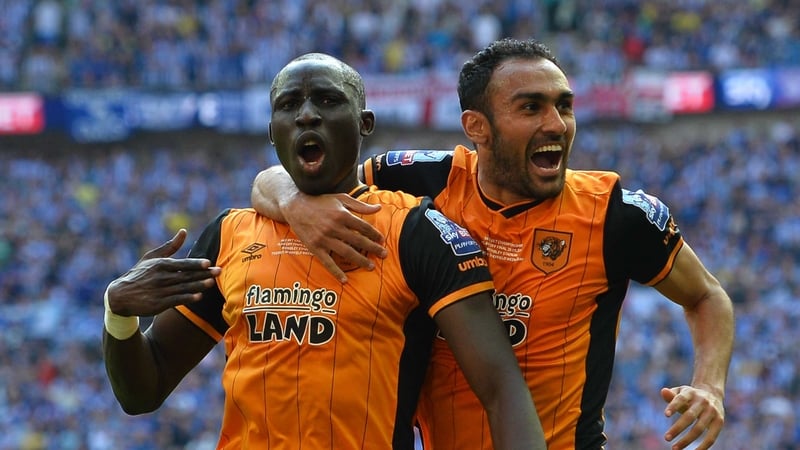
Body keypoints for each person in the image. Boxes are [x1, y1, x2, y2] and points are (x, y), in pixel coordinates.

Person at [251, 39, 735, 450]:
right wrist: (294, 201)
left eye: (563, 105)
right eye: (531, 107)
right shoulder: (416, 181)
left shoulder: (617, 216)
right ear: (477, 127)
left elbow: (707, 296)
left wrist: (709, 385)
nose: (556, 124)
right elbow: (290, 175)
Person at [102, 52, 545, 450]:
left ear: (364, 123)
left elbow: (501, 389)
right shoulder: (231, 234)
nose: (307, 115)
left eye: (328, 101)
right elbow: (143, 390)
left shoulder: (416, 233)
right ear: (272, 132)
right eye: (290, 105)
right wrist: (118, 312)